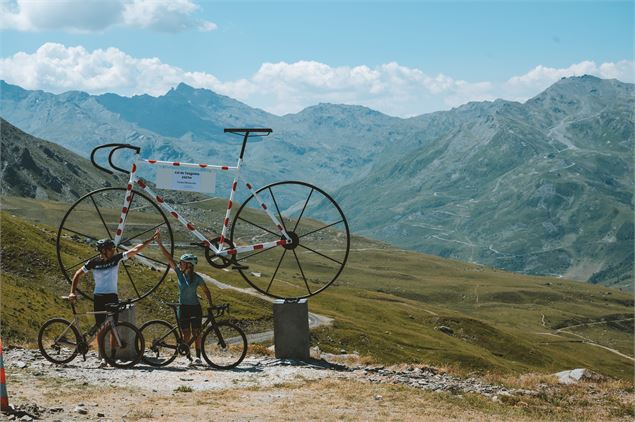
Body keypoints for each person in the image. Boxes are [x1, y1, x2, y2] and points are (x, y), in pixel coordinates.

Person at [68, 234, 157, 366]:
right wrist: (72, 292)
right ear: (103, 250)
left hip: (112, 297)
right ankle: (102, 356)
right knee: (100, 329)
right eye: (111, 249)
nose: (113, 251)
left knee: (112, 326)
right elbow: (77, 274)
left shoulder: (116, 259)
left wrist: (150, 240)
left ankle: (112, 357)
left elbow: (135, 250)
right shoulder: (93, 263)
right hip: (99, 297)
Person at [155, 230, 213, 366]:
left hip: (195, 308)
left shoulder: (197, 278)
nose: (179, 264)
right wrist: (159, 243)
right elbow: (169, 258)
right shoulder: (180, 275)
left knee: (197, 333)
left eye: (182, 263)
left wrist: (210, 304)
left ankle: (198, 357)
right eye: (180, 263)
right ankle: (188, 358)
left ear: (188, 265)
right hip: (184, 308)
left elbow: (206, 291)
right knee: (186, 334)